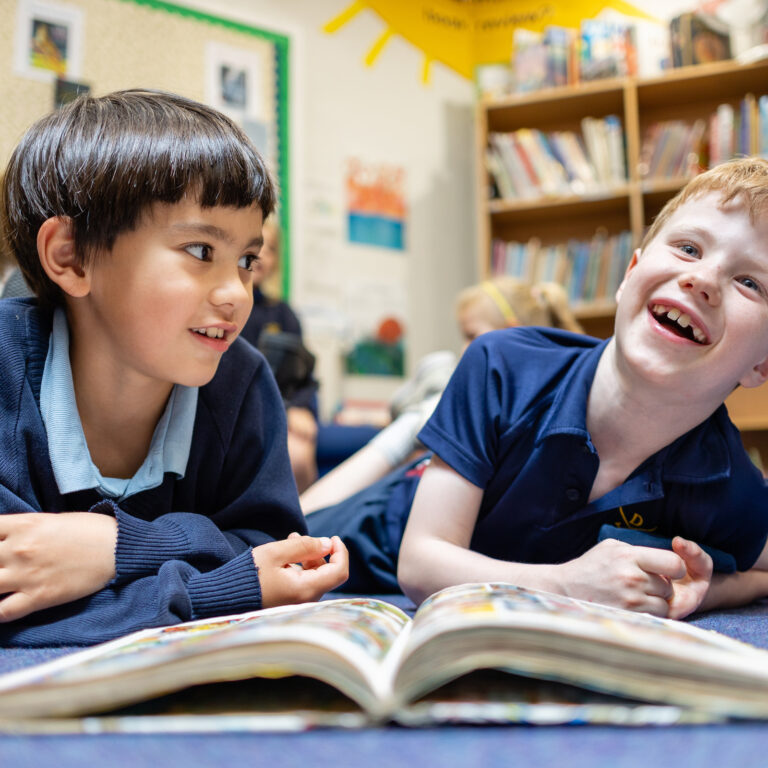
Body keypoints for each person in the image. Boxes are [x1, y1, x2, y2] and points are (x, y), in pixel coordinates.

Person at [310, 158, 768, 620]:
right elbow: (422, 561)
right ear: (629, 274)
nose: (703, 280)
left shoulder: (728, 482)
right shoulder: (501, 364)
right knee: (268, 539)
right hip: (369, 541)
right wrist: (569, 584)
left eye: (749, 282)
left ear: (761, 364)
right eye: (688, 248)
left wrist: (708, 591)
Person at [0, 89, 347, 647]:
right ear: (70, 255)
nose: (236, 294)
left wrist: (115, 548)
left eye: (247, 261)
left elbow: (270, 553)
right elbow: (14, 606)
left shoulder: (242, 381)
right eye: (201, 251)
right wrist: (214, 588)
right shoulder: (5, 363)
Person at [302, 276, 584, 590]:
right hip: (394, 500)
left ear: (510, 332)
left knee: (294, 539)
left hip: (383, 532)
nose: (465, 347)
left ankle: (416, 417)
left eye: (470, 335)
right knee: (290, 533)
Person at [239, 220, 319, 493]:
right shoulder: (225, 305)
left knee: (297, 456)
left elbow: (304, 378)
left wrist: (299, 407)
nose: (260, 255)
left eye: (269, 248)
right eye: (253, 246)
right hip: (236, 414)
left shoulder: (282, 314)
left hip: (278, 412)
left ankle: (305, 521)